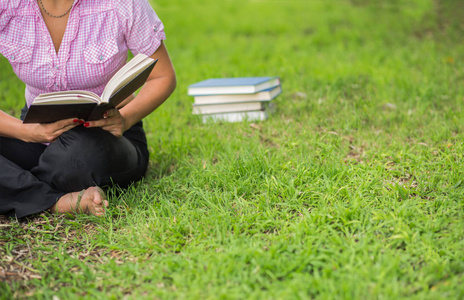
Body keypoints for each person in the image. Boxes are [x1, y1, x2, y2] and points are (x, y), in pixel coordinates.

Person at [0, 0, 176, 218]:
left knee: (74, 161)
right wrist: (27, 132)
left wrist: (125, 119)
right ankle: (58, 202)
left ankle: (14, 184)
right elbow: (28, 132)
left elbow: (163, 76)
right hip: (35, 131)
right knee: (61, 162)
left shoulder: (122, 4)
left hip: (105, 135)